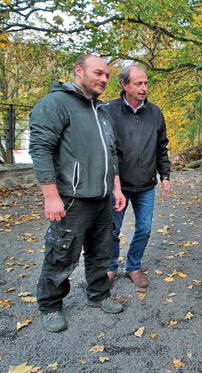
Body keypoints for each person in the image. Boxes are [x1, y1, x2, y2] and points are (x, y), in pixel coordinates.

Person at [29, 54, 126, 333]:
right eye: (98, 73)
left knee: (101, 251)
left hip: (103, 198)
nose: (105, 80)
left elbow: (112, 154)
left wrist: (116, 188)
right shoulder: (55, 104)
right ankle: (50, 305)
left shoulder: (102, 111)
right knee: (61, 254)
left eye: (107, 75)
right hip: (72, 199)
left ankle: (98, 295)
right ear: (78, 71)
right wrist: (50, 195)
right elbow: (41, 149)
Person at [107, 65, 171, 288]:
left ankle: (133, 266)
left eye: (146, 83)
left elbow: (161, 147)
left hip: (145, 184)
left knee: (144, 229)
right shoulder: (109, 111)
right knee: (112, 229)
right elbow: (105, 149)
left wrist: (165, 174)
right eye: (138, 83)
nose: (144, 88)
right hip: (117, 185)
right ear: (124, 85)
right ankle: (110, 267)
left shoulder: (155, 113)